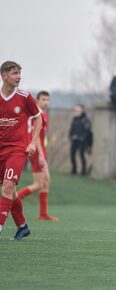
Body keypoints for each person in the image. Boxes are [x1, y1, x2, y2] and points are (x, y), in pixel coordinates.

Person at [0, 61, 42, 240]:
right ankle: (23, 226)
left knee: (8, 186)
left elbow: (38, 119)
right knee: (11, 191)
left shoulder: (25, 97)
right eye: (15, 73)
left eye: (19, 73)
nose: (19, 77)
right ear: (4, 76)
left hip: (17, 150)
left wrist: (32, 143)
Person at [17, 91, 59, 221]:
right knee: (38, 184)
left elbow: (42, 137)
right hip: (37, 153)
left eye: (48, 100)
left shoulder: (43, 114)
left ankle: (43, 214)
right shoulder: (37, 114)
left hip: (41, 152)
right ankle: (12, 199)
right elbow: (36, 138)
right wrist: (41, 155)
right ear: (37, 100)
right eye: (43, 99)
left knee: (46, 182)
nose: (46, 102)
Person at [69, 104, 92, 175]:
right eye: (75, 110)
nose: (76, 112)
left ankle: (83, 171)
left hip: (82, 141)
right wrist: (71, 136)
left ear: (83, 110)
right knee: (72, 154)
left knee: (82, 155)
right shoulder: (74, 119)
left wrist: (83, 138)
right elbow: (71, 129)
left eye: (78, 110)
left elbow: (87, 131)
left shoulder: (85, 120)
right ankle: (74, 169)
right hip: (74, 139)